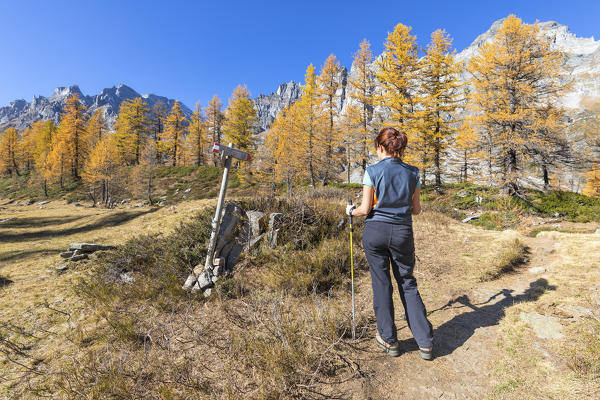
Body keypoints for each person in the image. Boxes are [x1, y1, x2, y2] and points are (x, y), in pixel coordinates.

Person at [346, 127, 434, 360]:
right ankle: (424, 342)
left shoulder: (372, 171)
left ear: (382, 147)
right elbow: (416, 209)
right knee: (407, 281)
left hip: (376, 232)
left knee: (382, 283)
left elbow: (365, 209)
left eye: (377, 147)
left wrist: (350, 210)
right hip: (403, 232)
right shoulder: (413, 172)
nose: (376, 151)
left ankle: (389, 339)